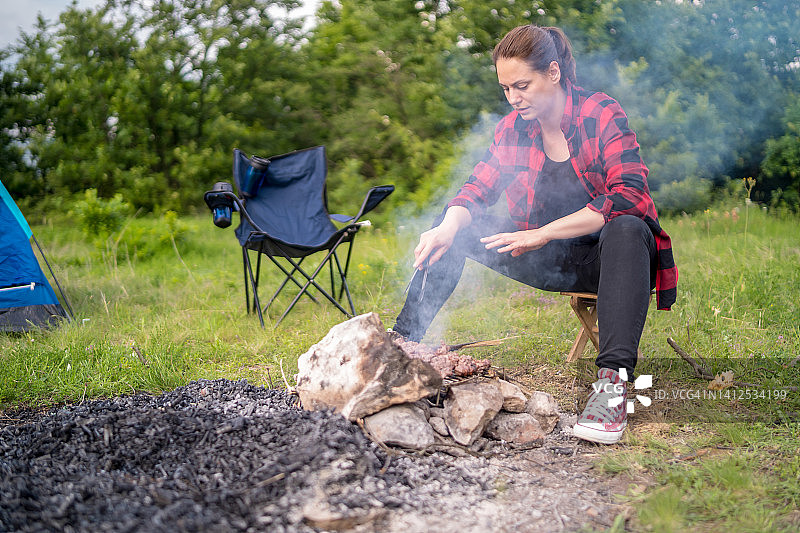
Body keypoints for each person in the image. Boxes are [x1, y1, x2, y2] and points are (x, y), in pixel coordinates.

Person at [390, 24, 677, 445]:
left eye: (522, 85)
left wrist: (543, 232)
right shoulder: (512, 128)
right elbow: (476, 189)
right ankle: (402, 345)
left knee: (629, 227)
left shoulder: (599, 113)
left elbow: (630, 194)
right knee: (452, 223)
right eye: (505, 88)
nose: (513, 98)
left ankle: (610, 389)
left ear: (554, 73)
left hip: (608, 262)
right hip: (545, 258)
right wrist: (447, 225)